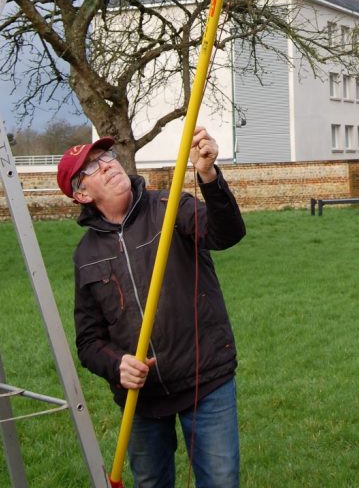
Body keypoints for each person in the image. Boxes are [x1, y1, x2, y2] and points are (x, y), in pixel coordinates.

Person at [56, 127, 246, 488]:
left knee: (221, 482)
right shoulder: (85, 256)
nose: (108, 165)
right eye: (93, 167)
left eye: (107, 157)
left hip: (205, 381)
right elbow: (88, 342)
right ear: (80, 193)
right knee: (151, 483)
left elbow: (228, 233)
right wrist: (117, 365)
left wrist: (208, 176)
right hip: (141, 401)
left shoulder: (169, 205)